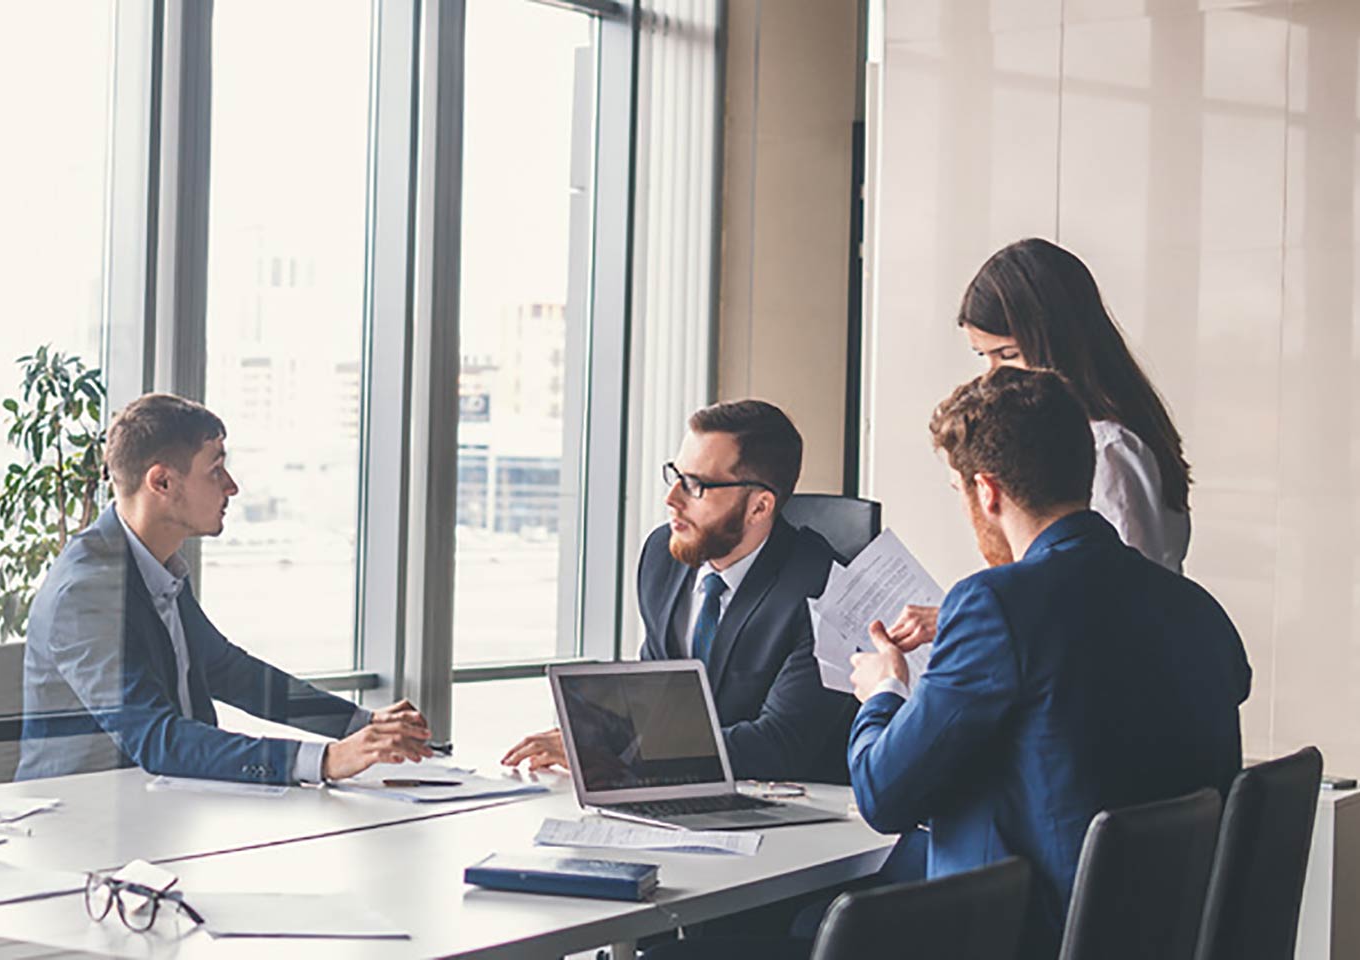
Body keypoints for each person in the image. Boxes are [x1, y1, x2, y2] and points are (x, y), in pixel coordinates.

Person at [845, 366, 1251, 960]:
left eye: (960, 493)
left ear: (986, 490)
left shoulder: (993, 603)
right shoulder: (1195, 608)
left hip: (1025, 935)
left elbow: (883, 794)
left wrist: (885, 692)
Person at [17, 393, 434, 784]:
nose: (231, 486)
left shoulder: (158, 567)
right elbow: (155, 738)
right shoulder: (84, 591)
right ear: (161, 483)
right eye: (215, 470)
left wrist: (361, 725)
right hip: (83, 828)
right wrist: (325, 760)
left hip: (159, 808)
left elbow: (228, 671)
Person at [500, 399, 857, 783]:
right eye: (676, 475)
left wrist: (615, 754)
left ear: (759, 507)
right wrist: (586, 737)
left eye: (696, 485)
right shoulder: (662, 557)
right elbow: (658, 700)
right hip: (679, 794)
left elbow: (778, 745)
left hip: (797, 815)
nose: (672, 499)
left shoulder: (829, 593)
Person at [957, 238, 1195, 571]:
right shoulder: (1074, 438)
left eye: (1008, 355)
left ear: (1056, 343)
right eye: (985, 357)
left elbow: (1122, 601)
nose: (993, 377)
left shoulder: (1109, 449)